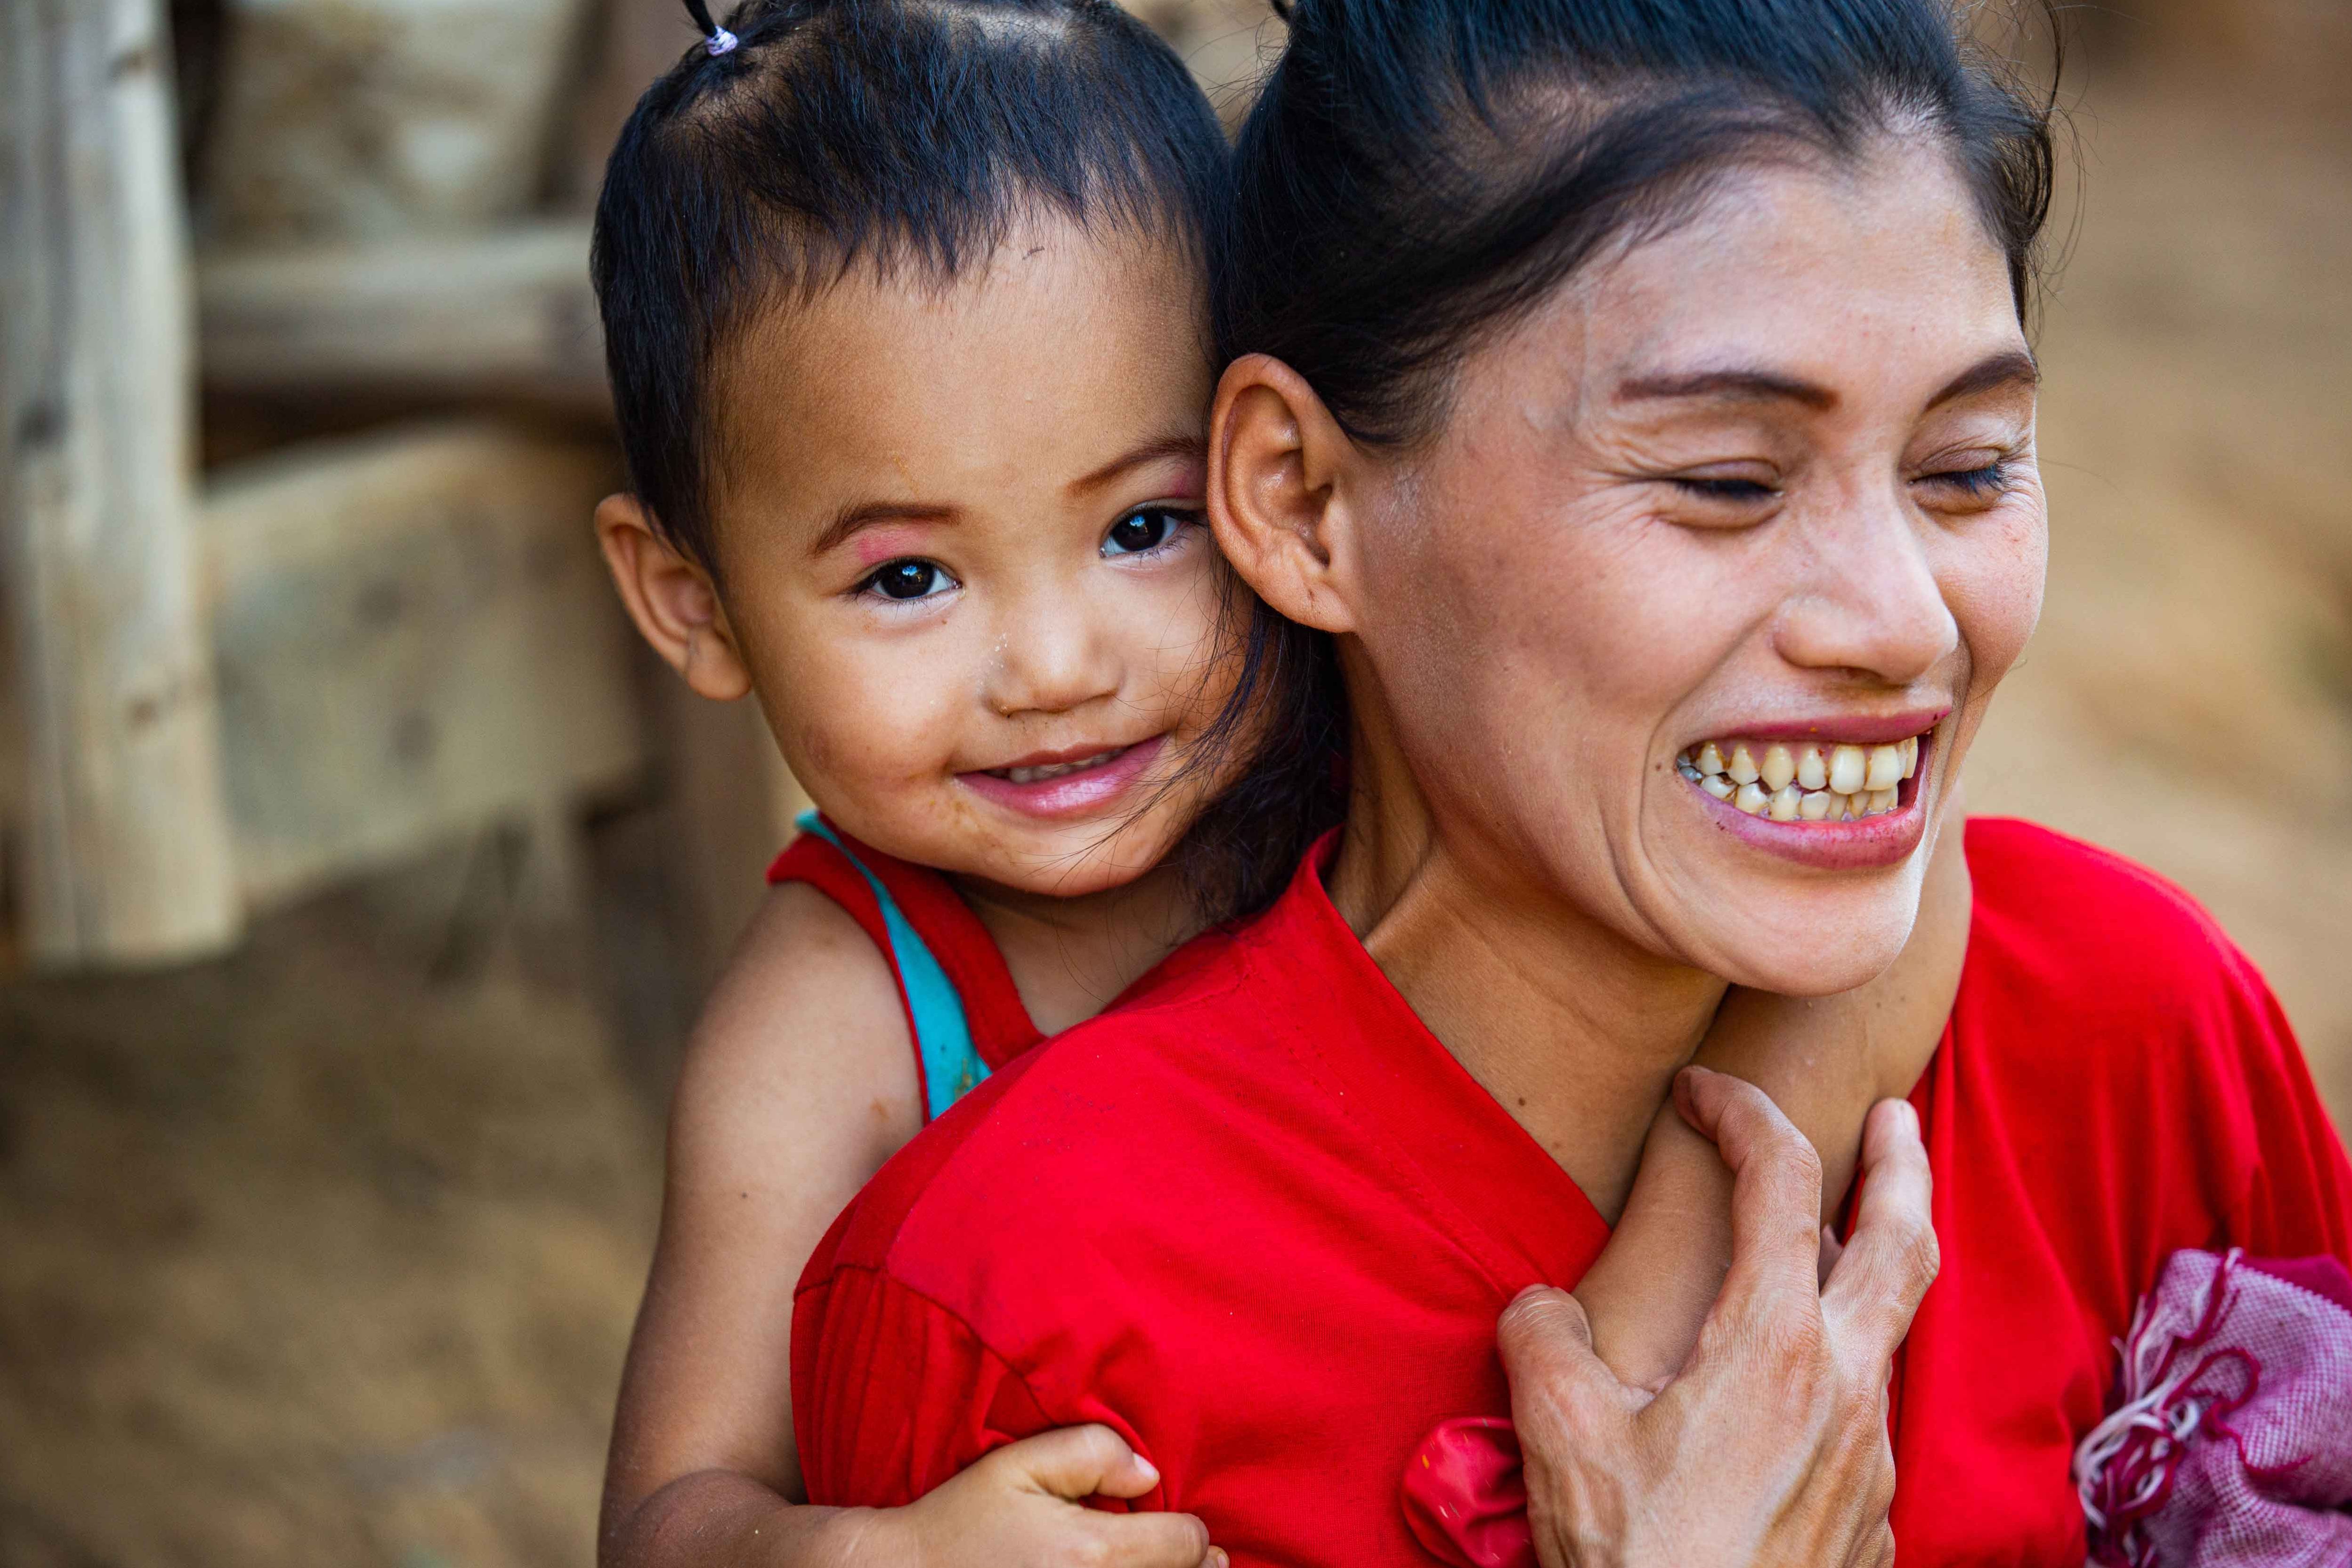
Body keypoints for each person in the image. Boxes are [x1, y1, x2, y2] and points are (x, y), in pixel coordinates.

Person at [789, 0, 2352, 1561]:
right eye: (1725, 481)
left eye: (1965, 469)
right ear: (1304, 500)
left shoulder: (2128, 1031)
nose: (1904, 621)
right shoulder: (1040, 1316)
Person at [586, 2, 1967, 1565]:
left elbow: (1914, 878)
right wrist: (865, 1556)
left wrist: (1658, 1287)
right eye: (908, 575)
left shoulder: (1373, 746)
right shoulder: (836, 1019)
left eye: (1140, 528)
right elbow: (661, 1518)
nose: (1053, 664)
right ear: (692, 600)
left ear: (1274, 487)